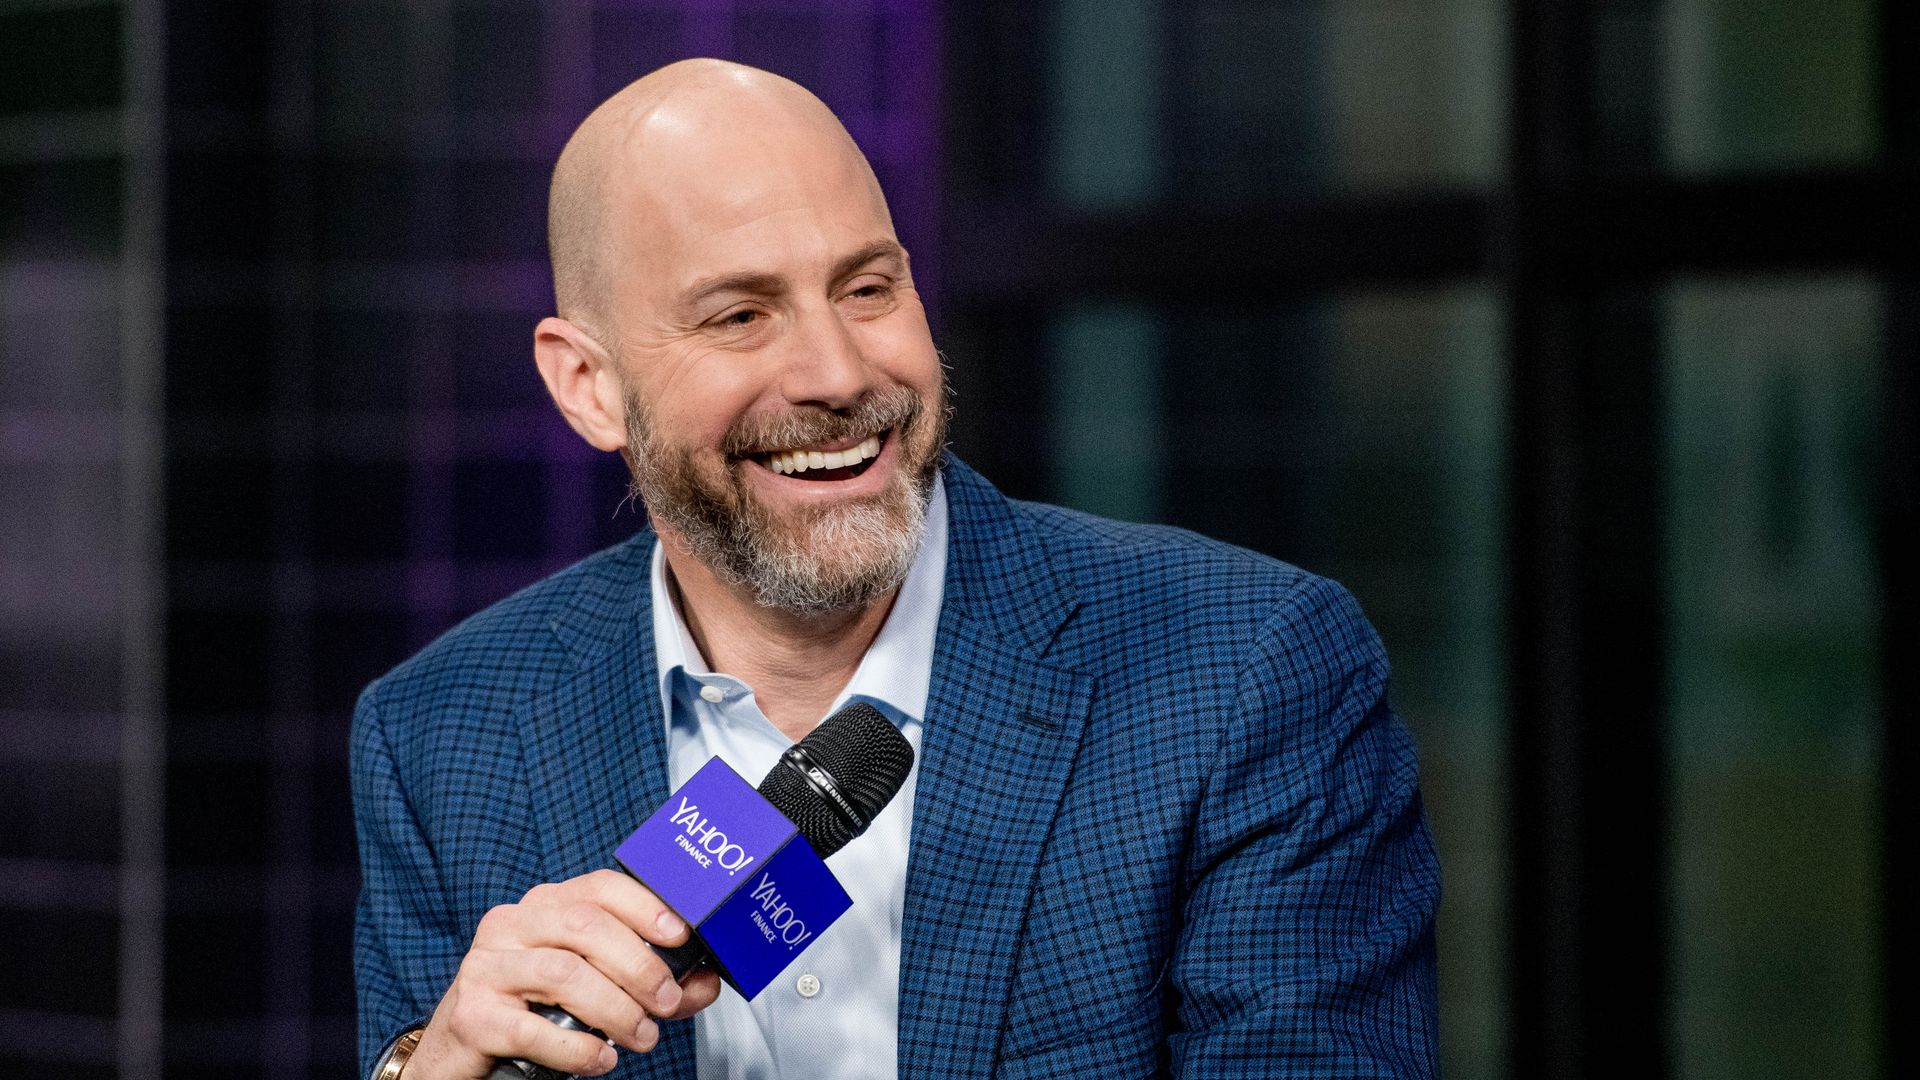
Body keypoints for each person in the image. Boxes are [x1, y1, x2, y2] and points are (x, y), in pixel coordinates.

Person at [353, 58, 1439, 1080]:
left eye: (867, 289)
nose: (836, 373)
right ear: (589, 386)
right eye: (741, 315)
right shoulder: (440, 735)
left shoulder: (1246, 668)